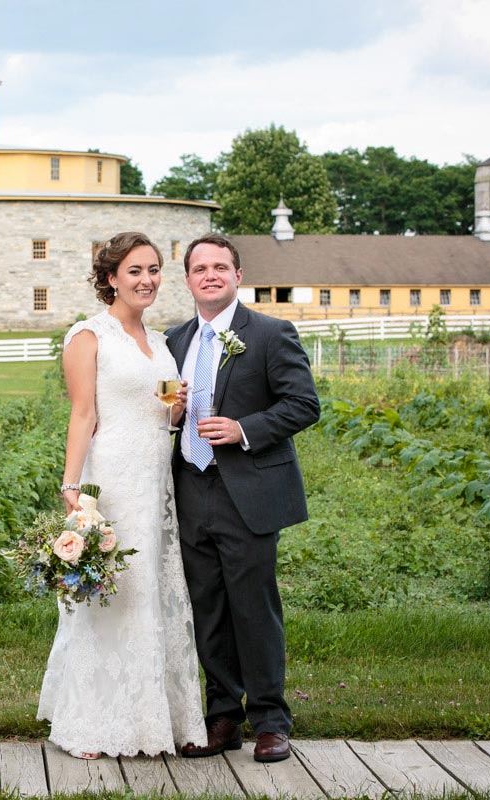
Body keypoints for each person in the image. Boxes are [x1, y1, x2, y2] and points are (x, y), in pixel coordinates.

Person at [37, 232, 206, 760]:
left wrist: (176, 410)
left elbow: (166, 414)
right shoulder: (88, 337)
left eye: (154, 270)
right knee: (113, 591)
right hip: (110, 477)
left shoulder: (161, 343)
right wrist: (72, 486)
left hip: (156, 481)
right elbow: (84, 413)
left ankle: (154, 719)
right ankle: (92, 723)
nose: (147, 280)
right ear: (111, 278)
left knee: (151, 589)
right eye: (134, 271)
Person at [166, 234, 320, 763]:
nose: (210, 275)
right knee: (205, 606)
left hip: (248, 491)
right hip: (190, 486)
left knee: (254, 607)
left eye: (220, 267)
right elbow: (161, 411)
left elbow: (303, 405)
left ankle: (272, 719)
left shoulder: (272, 333)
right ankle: (223, 715)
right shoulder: (174, 340)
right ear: (187, 279)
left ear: (237, 275)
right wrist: (171, 415)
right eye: (199, 268)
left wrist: (244, 428)